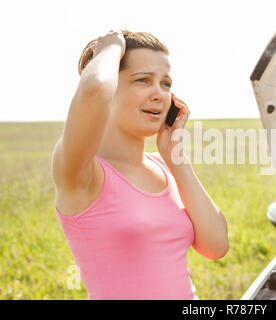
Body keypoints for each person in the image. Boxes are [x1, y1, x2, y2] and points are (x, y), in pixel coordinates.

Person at [51, 30, 229, 300]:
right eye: (143, 80)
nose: (159, 93)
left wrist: (176, 160)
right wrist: (109, 47)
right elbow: (94, 89)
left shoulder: (165, 167)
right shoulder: (82, 174)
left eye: (166, 83)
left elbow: (216, 246)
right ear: (112, 86)